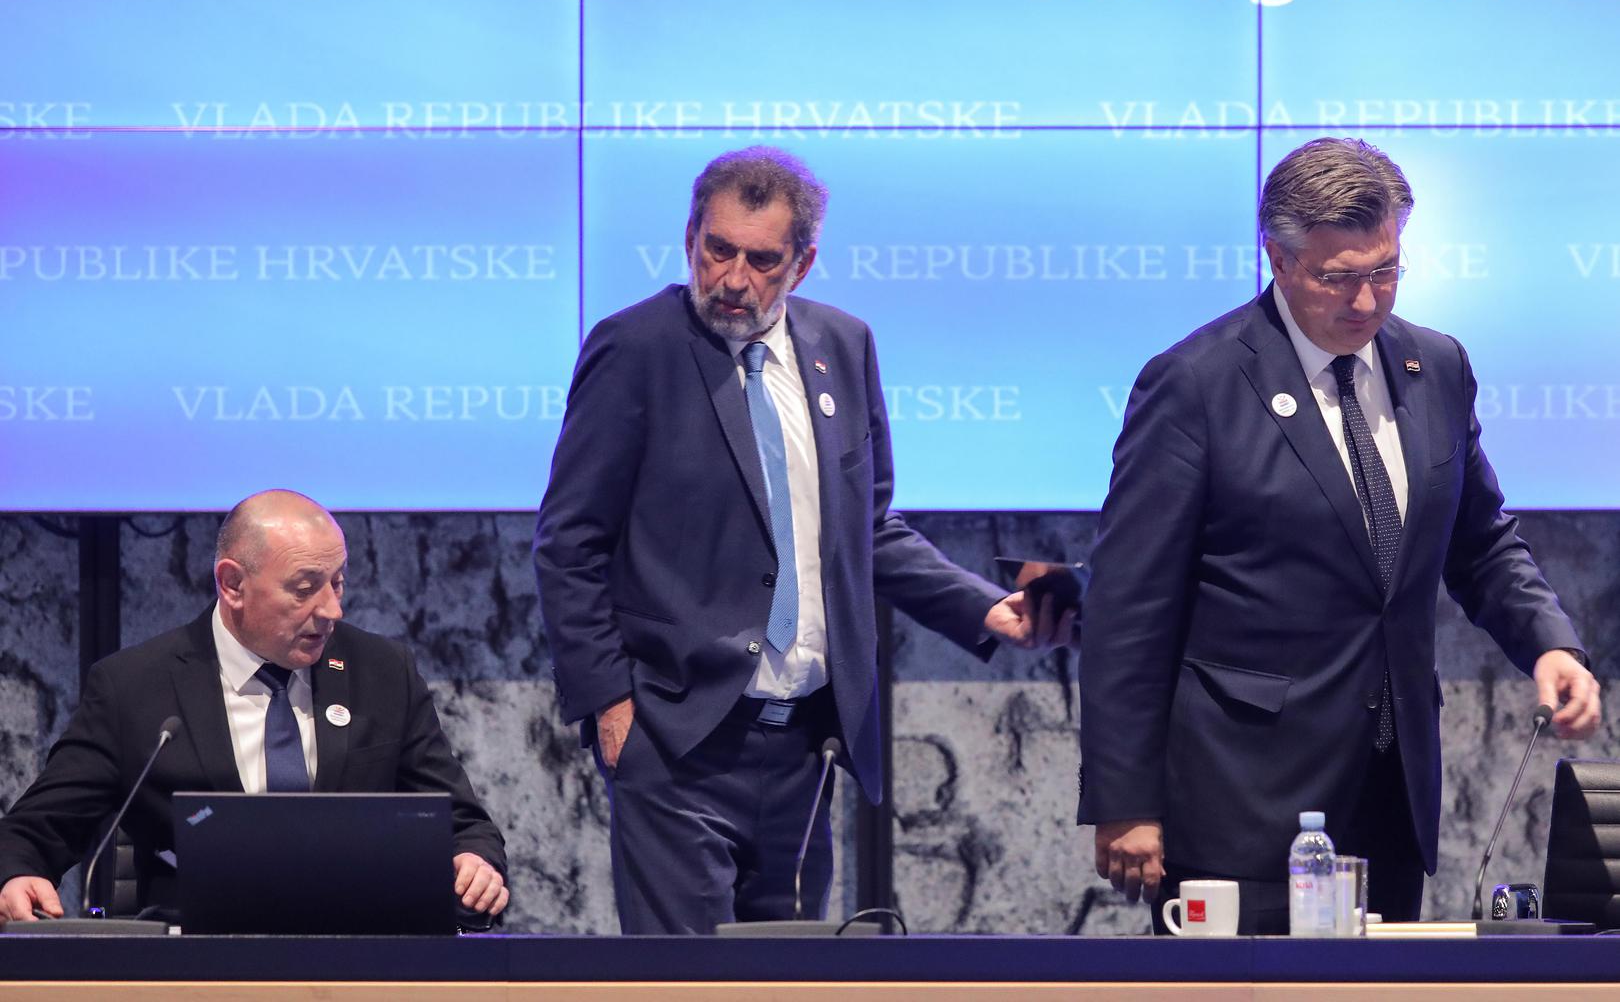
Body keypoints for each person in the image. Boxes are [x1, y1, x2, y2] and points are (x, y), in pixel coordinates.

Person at [534, 146, 1068, 934]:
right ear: (690, 239)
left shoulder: (842, 347)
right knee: (687, 994)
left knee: (788, 978)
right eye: (717, 250)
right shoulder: (635, 349)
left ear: (803, 263)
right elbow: (568, 542)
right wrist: (609, 700)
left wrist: (985, 610)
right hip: (678, 734)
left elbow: (868, 529)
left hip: (805, 743)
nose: (732, 278)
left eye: (761, 259)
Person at [1077, 137, 1602, 933]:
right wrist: (1123, 799)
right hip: (1239, 805)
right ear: (1279, 260)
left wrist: (1549, 644)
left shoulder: (1438, 366)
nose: (1365, 302)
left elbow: (1480, 539)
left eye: (1385, 271)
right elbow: (1129, 605)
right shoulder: (1194, 384)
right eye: (1338, 278)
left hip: (1388, 794)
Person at [0, 489, 509, 923]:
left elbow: (464, 824)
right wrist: (18, 874)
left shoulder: (382, 671)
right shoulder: (134, 687)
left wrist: (475, 861)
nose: (332, 609)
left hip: (360, 958)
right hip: (194, 967)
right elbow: (36, 829)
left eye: (338, 582)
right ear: (232, 584)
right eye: (305, 588)